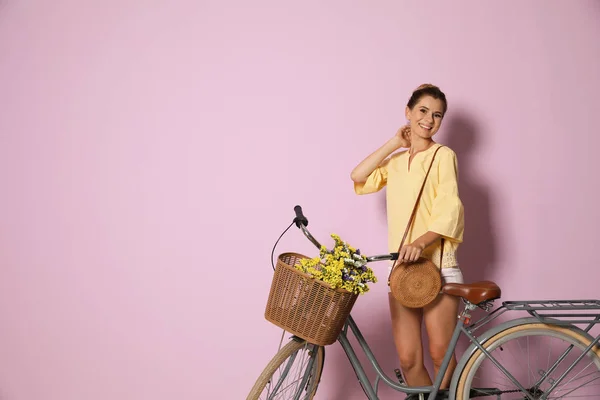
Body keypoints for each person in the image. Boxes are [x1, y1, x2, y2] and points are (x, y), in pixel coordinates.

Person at [350, 84, 465, 390]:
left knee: (440, 354)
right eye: (423, 111)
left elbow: (449, 208)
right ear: (408, 112)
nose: (429, 120)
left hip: (438, 264)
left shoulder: (443, 155)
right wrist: (393, 143)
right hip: (401, 268)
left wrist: (420, 242)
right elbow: (358, 176)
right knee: (408, 359)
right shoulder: (397, 162)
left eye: (437, 115)